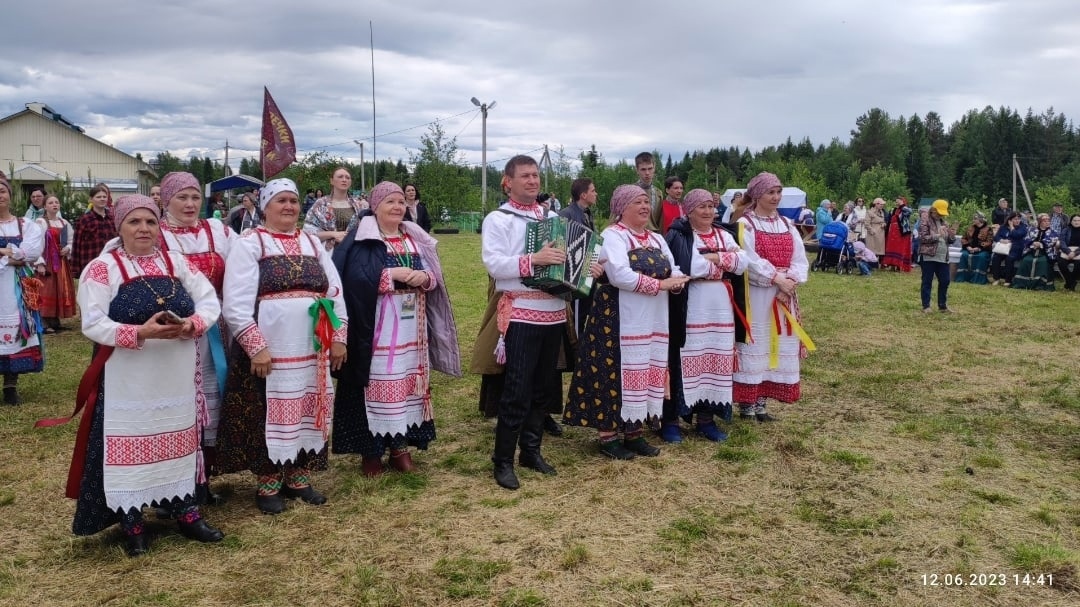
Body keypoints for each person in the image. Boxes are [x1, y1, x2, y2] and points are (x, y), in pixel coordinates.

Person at [67, 194, 224, 557]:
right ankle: (132, 521)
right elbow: (92, 323)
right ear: (119, 226)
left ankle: (185, 510)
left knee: (179, 438)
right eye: (135, 222)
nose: (144, 228)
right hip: (128, 378)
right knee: (132, 443)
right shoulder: (103, 268)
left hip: (176, 373)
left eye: (151, 222)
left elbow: (209, 300)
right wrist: (140, 333)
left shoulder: (177, 262)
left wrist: (191, 325)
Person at [217, 178, 348, 514]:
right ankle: (269, 481)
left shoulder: (312, 242)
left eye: (293, 200)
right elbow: (235, 302)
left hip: (312, 347)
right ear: (265, 207)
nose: (289, 206)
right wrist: (255, 346)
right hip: (271, 351)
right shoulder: (250, 244)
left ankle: (299, 477)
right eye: (281, 201)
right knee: (266, 409)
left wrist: (338, 338)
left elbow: (334, 291)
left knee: (308, 404)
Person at [330, 182, 460, 476]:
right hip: (375, 327)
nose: (398, 207)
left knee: (406, 383)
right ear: (375, 206)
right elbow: (351, 282)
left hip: (410, 327)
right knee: (375, 383)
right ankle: (372, 451)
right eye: (391, 202)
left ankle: (400, 447)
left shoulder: (415, 238)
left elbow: (435, 277)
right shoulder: (363, 240)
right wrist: (390, 275)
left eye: (401, 202)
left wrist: (424, 278)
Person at [564, 184, 689, 458]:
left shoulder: (656, 239)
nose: (645, 206)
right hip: (618, 317)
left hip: (653, 318)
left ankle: (634, 432)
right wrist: (662, 285)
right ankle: (608, 437)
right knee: (613, 373)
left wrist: (677, 281)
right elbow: (619, 275)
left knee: (645, 367)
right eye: (637, 202)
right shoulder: (613, 235)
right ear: (622, 207)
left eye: (646, 202)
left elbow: (673, 267)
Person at [481, 155, 570, 490]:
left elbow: (566, 259)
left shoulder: (552, 217)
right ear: (508, 181)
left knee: (543, 388)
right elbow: (494, 264)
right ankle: (502, 460)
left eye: (536, 175)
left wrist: (584, 265)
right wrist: (534, 260)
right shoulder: (498, 219)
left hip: (555, 311)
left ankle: (530, 451)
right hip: (521, 312)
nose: (533, 181)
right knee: (517, 388)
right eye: (525, 176)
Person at [158, 172, 233, 502]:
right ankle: (174, 483)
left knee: (209, 399)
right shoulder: (153, 233)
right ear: (166, 201)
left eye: (194, 198)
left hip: (215, 327)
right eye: (181, 198)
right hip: (173, 333)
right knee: (179, 401)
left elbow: (242, 266)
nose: (190, 204)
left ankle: (202, 481)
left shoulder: (217, 231)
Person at [662, 189, 747, 443]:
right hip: (692, 303)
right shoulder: (679, 235)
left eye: (711, 206)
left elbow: (742, 263)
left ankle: (706, 419)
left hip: (720, 305)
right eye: (702, 207)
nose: (709, 211)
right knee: (685, 356)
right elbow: (690, 267)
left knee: (713, 356)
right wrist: (723, 263)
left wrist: (713, 257)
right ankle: (671, 421)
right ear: (689, 210)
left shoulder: (723, 233)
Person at [731, 173, 811, 422]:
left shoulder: (787, 224)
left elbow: (799, 258)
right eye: (770, 192)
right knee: (756, 344)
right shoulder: (746, 224)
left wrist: (792, 282)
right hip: (757, 295)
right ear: (757, 195)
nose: (776, 197)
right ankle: (747, 406)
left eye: (778, 192)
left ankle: (762, 403)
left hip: (783, 296)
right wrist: (777, 278)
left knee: (775, 346)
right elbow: (749, 260)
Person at [0, 172, 44, 405]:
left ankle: (10, 386)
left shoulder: (26, 225)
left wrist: (10, 254)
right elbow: (21, 255)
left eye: (2, 190)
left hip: (13, 289)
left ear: (10, 194)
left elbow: (32, 253)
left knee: (16, 330)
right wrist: (12, 253)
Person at [33, 194, 75, 333]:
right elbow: (37, 243)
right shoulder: (41, 222)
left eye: (56, 202)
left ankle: (55, 320)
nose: (54, 205)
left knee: (60, 288)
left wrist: (67, 248)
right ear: (45, 206)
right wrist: (39, 263)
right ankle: (45, 322)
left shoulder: (64, 223)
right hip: (48, 261)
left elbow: (70, 240)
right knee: (46, 289)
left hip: (61, 262)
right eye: (50, 203)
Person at [303, 167, 368, 251]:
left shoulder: (358, 205)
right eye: (340, 177)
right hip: (327, 254)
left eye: (347, 177)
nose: (344, 180)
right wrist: (333, 234)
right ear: (332, 181)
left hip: (353, 253)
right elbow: (308, 232)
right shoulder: (321, 204)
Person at [918, 200, 955, 312]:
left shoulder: (945, 223)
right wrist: (938, 235)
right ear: (933, 210)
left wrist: (951, 235)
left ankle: (942, 306)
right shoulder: (925, 221)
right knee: (927, 281)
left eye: (942, 214)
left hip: (943, 257)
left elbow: (950, 240)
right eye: (939, 213)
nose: (940, 215)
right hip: (929, 256)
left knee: (945, 280)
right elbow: (923, 238)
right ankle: (926, 306)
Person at [72, 185, 116, 278]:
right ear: (91, 199)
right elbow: (76, 245)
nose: (102, 199)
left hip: (111, 264)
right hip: (90, 265)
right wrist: (75, 270)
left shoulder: (112, 219)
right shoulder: (85, 220)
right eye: (98, 197)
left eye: (104, 197)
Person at [1011, 213, 1058, 291]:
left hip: (1045, 252)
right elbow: (1026, 239)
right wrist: (1033, 243)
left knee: (1042, 262)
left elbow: (1053, 240)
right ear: (1040, 222)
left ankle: (1039, 284)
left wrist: (1041, 244)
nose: (1047, 222)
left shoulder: (1053, 231)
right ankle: (1022, 283)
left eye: (1048, 221)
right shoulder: (1032, 229)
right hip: (1031, 251)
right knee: (1026, 260)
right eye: (1044, 221)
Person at [953, 212, 993, 284]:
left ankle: (977, 279)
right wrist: (968, 246)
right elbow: (964, 238)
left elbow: (989, 241)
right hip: (969, 249)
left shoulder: (988, 229)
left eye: (975, 218)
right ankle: (963, 277)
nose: (973, 220)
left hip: (982, 250)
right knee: (964, 255)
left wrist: (978, 248)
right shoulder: (970, 228)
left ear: (981, 219)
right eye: (973, 218)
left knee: (981, 257)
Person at [989, 212, 1026, 286]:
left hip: (1016, 249)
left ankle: (1008, 280)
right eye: (1015, 219)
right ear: (1009, 220)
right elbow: (996, 237)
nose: (1017, 221)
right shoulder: (1003, 227)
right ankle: (996, 278)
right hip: (1003, 248)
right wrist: (1001, 240)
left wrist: (1012, 227)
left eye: (1019, 219)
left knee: (1009, 259)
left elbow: (1017, 235)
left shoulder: (1022, 227)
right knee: (996, 257)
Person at [634, 152, 663, 231]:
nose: (647, 173)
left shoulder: (658, 193)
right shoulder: (630, 192)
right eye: (643, 169)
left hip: (653, 236)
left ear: (654, 168)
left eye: (650, 168)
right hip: (633, 235)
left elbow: (660, 221)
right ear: (637, 170)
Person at [882, 197, 913, 271]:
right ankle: (892, 265)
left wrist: (902, 205)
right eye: (896, 202)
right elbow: (888, 219)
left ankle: (899, 265)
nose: (896, 203)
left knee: (900, 248)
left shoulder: (905, 209)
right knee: (892, 247)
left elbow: (909, 212)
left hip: (902, 231)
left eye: (898, 201)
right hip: (893, 231)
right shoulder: (893, 210)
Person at [1056, 214, 1080, 291]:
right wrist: (1068, 252)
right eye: (1075, 220)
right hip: (1066, 251)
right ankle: (1071, 282)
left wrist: (1075, 253)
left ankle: (1069, 283)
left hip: (1078, 252)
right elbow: (1062, 241)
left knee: (1078, 264)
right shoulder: (1066, 229)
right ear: (1071, 221)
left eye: (1079, 220)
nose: (1077, 222)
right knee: (1061, 262)